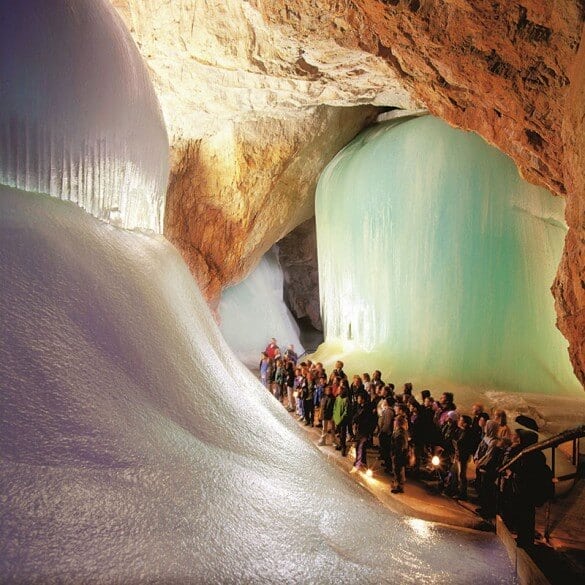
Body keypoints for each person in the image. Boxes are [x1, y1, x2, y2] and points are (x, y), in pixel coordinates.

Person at [351, 393, 376, 471]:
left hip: (363, 430)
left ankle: (360, 462)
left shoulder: (366, 409)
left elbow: (361, 418)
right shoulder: (361, 407)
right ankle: (361, 461)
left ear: (363, 399)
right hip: (361, 430)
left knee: (360, 446)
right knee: (360, 446)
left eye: (359, 398)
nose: (357, 399)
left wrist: (356, 420)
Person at [390, 415, 409, 494]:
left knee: (398, 470)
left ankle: (399, 486)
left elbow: (400, 446)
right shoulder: (400, 431)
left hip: (399, 455)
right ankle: (397, 484)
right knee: (398, 469)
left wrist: (396, 454)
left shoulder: (400, 433)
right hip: (399, 454)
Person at [333, 386, 350, 456]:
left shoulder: (346, 399)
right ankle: (340, 444)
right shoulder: (337, 398)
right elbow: (335, 408)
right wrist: (335, 417)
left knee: (343, 434)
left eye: (339, 390)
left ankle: (343, 447)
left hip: (343, 420)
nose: (338, 390)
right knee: (339, 433)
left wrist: (341, 419)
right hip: (337, 419)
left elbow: (346, 411)